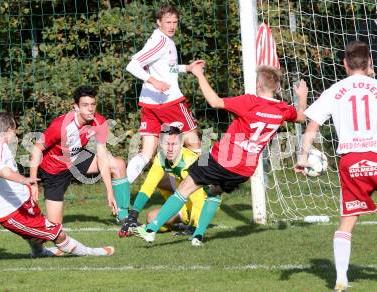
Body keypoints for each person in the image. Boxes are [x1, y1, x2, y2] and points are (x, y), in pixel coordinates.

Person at [133, 64, 308, 246]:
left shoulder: (250, 102)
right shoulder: (281, 109)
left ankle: (150, 230)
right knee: (214, 192)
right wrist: (302, 97)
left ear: (258, 85)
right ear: (277, 87)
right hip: (245, 169)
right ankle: (198, 236)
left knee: (184, 189)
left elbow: (215, 102)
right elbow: (302, 117)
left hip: (222, 159)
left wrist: (199, 75)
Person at [295, 41, 377, 292]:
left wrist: (302, 157)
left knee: (347, 221)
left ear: (344, 64)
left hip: (352, 160)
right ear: (370, 62)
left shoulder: (335, 90)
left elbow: (311, 126)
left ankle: (341, 277)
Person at [0, 112, 114, 257]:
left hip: (21, 202)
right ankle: (91, 253)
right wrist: (24, 180)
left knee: (36, 233)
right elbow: (1, 170)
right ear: (8, 131)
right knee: (58, 235)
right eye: (14, 131)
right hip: (11, 211)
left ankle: (39, 252)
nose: (15, 136)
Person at [125, 4, 204, 183]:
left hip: (150, 104)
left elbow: (166, 67)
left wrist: (187, 68)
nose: (172, 26)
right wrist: (154, 81)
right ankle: (207, 183)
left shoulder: (166, 41)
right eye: (168, 22)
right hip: (169, 102)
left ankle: (120, 194)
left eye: (175, 22)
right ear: (158, 22)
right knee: (194, 142)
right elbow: (132, 65)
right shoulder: (160, 41)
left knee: (146, 153)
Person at [29, 86, 130, 224]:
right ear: (75, 107)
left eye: (93, 104)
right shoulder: (61, 126)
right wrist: (33, 182)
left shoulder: (99, 122)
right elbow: (36, 149)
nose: (90, 108)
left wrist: (110, 192)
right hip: (54, 171)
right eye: (85, 105)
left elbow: (102, 156)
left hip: (76, 159)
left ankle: (124, 217)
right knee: (54, 227)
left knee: (118, 164)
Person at [119, 125, 215, 237]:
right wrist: (133, 215)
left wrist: (193, 227)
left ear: (181, 144)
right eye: (166, 144)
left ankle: (193, 223)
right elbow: (148, 186)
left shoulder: (189, 162)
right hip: (185, 203)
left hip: (204, 202)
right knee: (151, 218)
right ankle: (178, 222)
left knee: (189, 194)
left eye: (173, 144)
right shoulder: (160, 158)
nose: (170, 149)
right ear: (160, 144)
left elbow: (199, 197)